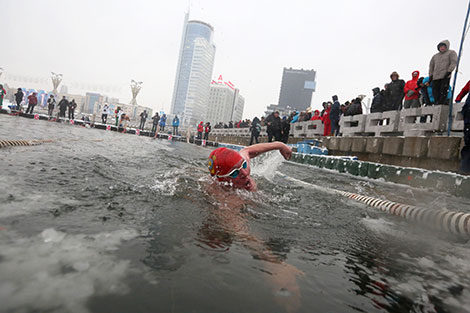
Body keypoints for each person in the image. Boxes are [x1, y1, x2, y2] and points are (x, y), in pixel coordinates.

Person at [207, 142, 292, 192]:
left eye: (243, 164)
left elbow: (246, 150)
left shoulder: (241, 163)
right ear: (223, 181)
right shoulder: (226, 198)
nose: (244, 173)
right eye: (234, 173)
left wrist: (280, 145)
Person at [429, 40, 458, 105]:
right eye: (440, 47)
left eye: (443, 46)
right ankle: (436, 102)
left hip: (445, 75)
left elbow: (453, 62)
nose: (442, 48)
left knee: (443, 90)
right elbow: (431, 66)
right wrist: (431, 75)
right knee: (435, 91)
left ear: (446, 47)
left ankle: (442, 103)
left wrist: (449, 71)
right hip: (435, 77)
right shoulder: (435, 56)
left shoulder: (451, 53)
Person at [455, 80, 470, 174]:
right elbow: (464, 90)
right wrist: (458, 98)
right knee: (468, 143)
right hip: (468, 116)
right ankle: (465, 168)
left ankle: (465, 168)